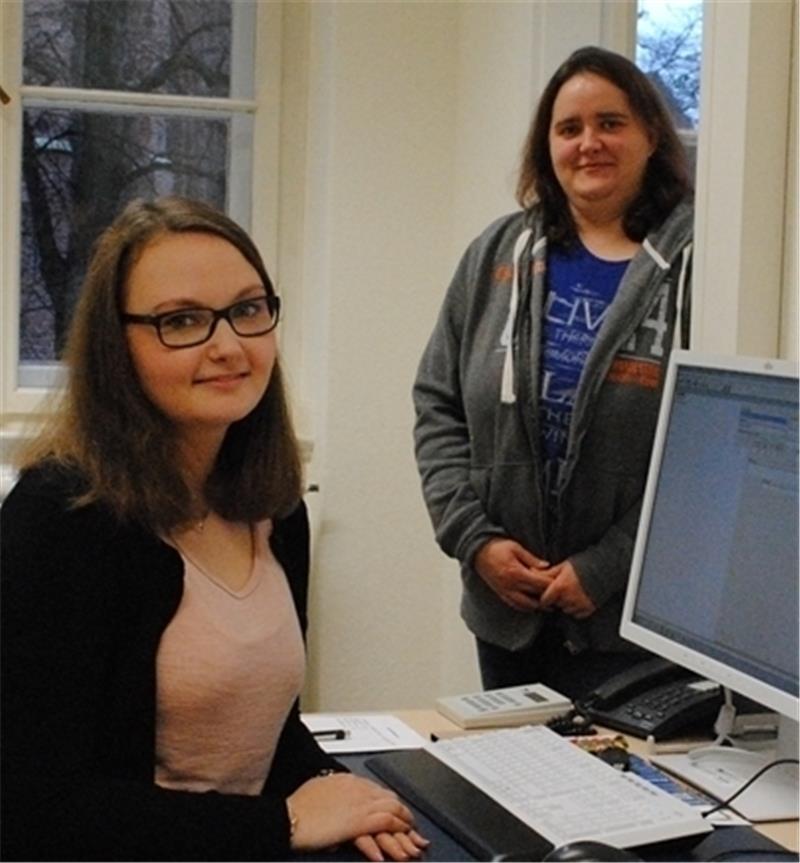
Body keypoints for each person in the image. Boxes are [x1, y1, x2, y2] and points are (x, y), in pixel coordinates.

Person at [1, 196, 428, 862]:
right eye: (182, 321)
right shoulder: (61, 518)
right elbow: (32, 811)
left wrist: (336, 788)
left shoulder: (276, 507)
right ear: (119, 346)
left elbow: (265, 731)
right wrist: (281, 823)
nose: (229, 345)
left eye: (248, 309)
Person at [413, 46, 693, 700]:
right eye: (570, 129)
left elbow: (699, 455)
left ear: (650, 135)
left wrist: (605, 566)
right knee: (514, 787)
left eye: (610, 123)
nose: (589, 143)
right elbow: (438, 404)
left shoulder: (699, 267)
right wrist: (475, 541)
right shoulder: (495, 254)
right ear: (548, 146)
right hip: (505, 611)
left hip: (631, 626)